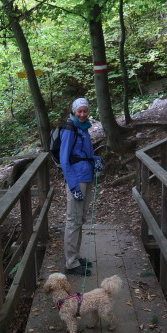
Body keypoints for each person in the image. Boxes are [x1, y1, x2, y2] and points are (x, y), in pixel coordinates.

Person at [59, 97, 104, 276]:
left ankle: (75, 257)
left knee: (80, 219)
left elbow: (84, 154)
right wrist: (73, 186)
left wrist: (96, 159)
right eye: (80, 111)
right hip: (76, 180)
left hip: (86, 176)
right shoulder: (70, 129)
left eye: (85, 111)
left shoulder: (83, 129)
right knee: (73, 220)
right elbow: (64, 160)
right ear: (74, 111)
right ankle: (71, 263)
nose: (83, 114)